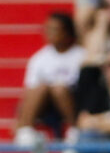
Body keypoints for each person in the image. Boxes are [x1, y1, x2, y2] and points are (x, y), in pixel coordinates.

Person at [13, 11, 85, 144]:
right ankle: (25, 129)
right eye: (47, 29)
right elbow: (29, 91)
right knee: (41, 87)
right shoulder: (39, 58)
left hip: (73, 102)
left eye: (55, 29)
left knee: (59, 88)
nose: (49, 33)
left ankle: (75, 129)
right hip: (46, 104)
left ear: (68, 33)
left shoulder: (81, 56)